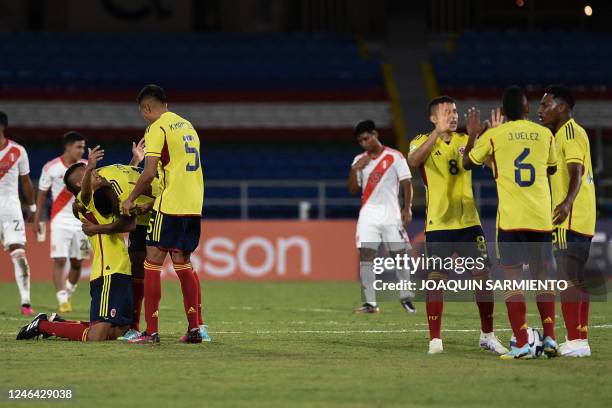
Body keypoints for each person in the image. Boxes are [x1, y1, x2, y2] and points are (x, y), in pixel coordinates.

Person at [463, 86, 558, 359]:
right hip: (541, 217)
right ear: (527, 109)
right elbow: (550, 168)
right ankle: (550, 338)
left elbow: (468, 163)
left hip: (512, 220)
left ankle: (522, 342)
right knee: (543, 278)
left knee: (513, 280)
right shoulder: (545, 134)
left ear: (502, 112)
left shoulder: (495, 135)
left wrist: (474, 136)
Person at [407, 96, 507, 355]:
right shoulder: (421, 140)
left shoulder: (465, 140)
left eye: (454, 111)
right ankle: (435, 340)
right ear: (433, 118)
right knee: (436, 280)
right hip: (438, 223)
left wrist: (490, 138)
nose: (453, 115)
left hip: (469, 223)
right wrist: (436, 134)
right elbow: (414, 161)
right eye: (446, 112)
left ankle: (487, 335)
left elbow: (488, 163)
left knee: (482, 278)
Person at [17, 147, 135, 341]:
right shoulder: (84, 200)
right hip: (107, 271)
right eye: (92, 173)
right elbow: (87, 195)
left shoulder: (103, 197)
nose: (98, 173)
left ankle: (59, 323)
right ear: (82, 183)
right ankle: (43, 325)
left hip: (121, 269)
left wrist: (134, 162)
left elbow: (123, 190)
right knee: (97, 336)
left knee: (117, 332)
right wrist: (89, 168)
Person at [122, 84, 206, 344]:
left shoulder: (156, 127)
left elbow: (148, 173)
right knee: (183, 262)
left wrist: (131, 199)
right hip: (193, 204)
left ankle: (151, 331)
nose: (144, 117)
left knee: (152, 261)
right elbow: (179, 171)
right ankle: (195, 329)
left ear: (147, 107)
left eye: (143, 113)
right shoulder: (187, 126)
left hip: (170, 206)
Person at [538, 85, 596, 357]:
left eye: (545, 105)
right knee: (576, 278)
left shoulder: (569, 133)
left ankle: (575, 339)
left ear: (561, 107)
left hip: (569, 217)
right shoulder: (563, 134)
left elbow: (577, 171)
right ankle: (580, 339)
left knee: (566, 278)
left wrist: (566, 202)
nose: (540, 111)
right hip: (581, 216)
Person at [348, 119, 416, 314]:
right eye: (360, 141)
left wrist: (407, 207)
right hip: (368, 215)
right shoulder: (359, 160)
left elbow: (406, 182)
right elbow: (353, 189)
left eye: (366, 138)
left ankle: (406, 297)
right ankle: (370, 303)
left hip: (391, 214)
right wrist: (355, 169)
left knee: (399, 256)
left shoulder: (394, 157)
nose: (364, 143)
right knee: (366, 255)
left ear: (375, 135)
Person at [33, 131, 89, 313]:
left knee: (77, 262)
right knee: (59, 260)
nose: (82, 151)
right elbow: (42, 193)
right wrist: (37, 217)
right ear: (68, 146)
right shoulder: (51, 167)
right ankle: (62, 298)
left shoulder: (87, 166)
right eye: (78, 147)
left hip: (80, 221)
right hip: (59, 220)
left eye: (83, 147)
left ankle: (68, 290)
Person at [0, 111, 36, 315]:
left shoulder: (18, 151)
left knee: (19, 253)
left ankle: (25, 302)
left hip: (10, 209)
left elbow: (25, 181)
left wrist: (31, 207)